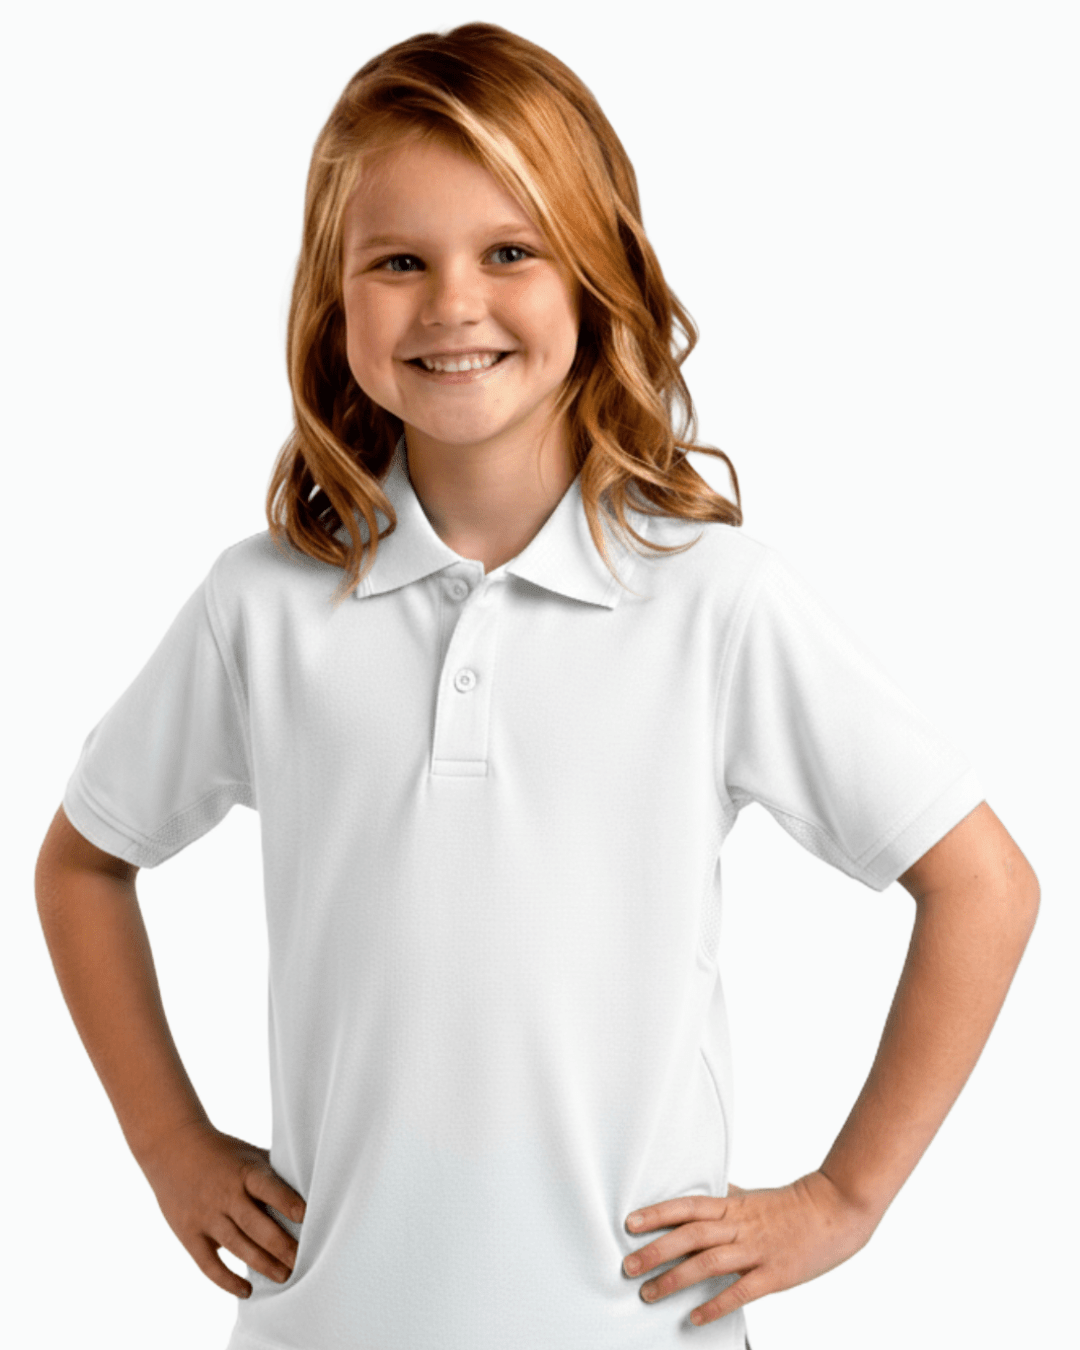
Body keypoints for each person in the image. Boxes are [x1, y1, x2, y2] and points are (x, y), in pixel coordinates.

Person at [34, 21, 1039, 1350]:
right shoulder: (259, 608)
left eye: (510, 251)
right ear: (335, 303)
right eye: (399, 260)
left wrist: (842, 1200)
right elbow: (83, 862)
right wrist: (167, 1141)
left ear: (596, 274)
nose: (453, 303)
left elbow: (983, 885)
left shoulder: (712, 604)